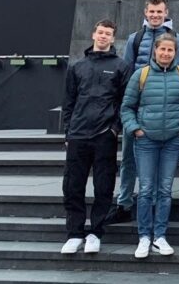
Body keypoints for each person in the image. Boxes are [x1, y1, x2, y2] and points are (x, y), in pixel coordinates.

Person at [107, 0, 179, 225]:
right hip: (139, 108)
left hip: (165, 109)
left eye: (159, 12)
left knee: (159, 162)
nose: (155, 16)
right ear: (145, 13)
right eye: (151, 12)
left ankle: (153, 205)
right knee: (129, 159)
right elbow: (125, 73)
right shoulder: (135, 39)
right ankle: (124, 203)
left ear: (166, 13)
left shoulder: (177, 40)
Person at [120, 34, 179, 259]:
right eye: (162, 49)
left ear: (176, 53)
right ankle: (144, 236)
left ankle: (160, 236)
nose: (166, 54)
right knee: (146, 189)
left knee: (165, 190)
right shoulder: (141, 75)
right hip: (145, 140)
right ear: (154, 51)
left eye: (170, 50)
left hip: (172, 141)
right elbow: (127, 107)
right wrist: (135, 129)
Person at [60, 19, 129, 255]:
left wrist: (114, 129)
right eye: (100, 32)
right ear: (93, 35)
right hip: (78, 135)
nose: (103, 36)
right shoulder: (77, 67)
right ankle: (74, 233)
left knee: (104, 186)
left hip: (104, 136)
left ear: (113, 38)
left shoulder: (121, 66)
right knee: (73, 186)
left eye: (108, 34)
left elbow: (124, 102)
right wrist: (68, 131)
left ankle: (95, 233)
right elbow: (68, 102)